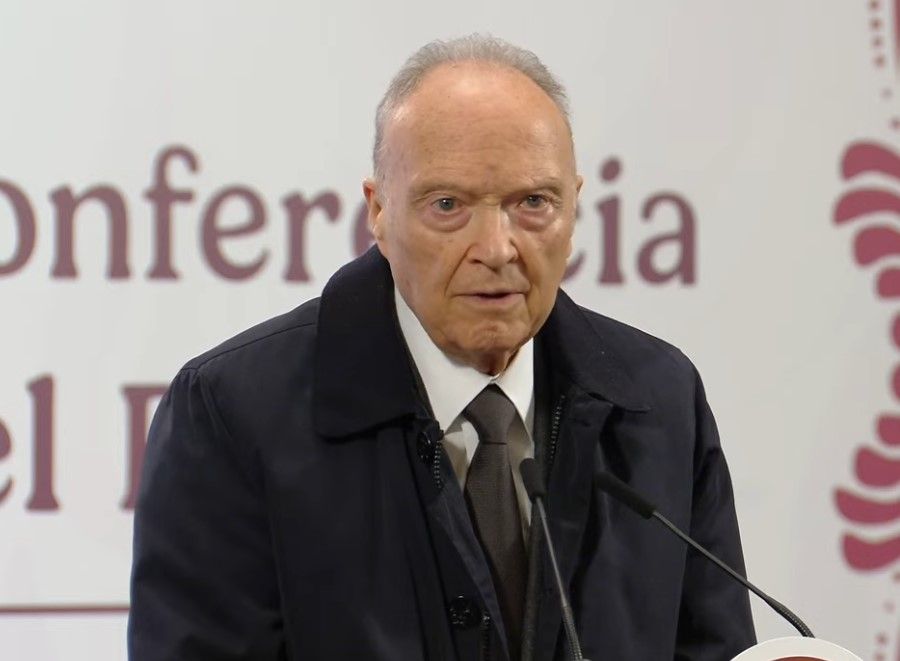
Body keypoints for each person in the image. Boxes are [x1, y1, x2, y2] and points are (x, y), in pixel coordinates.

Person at [128, 34, 756, 660]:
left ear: (574, 208)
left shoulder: (658, 401)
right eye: (448, 205)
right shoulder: (233, 414)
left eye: (533, 202)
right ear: (379, 211)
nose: (497, 249)